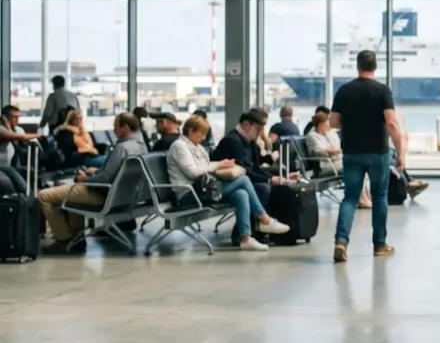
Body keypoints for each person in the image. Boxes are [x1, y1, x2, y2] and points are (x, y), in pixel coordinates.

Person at [167, 115, 289, 251]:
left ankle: (245, 238)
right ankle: (265, 219)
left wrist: (222, 165)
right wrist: (218, 164)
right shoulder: (179, 146)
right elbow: (193, 172)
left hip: (203, 190)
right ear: (190, 130)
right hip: (189, 194)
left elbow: (206, 166)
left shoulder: (198, 147)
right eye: (201, 134)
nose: (203, 138)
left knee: (241, 194)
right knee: (243, 179)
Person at [329, 50, 406, 263]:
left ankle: (341, 242)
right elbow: (391, 123)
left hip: (352, 152)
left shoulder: (344, 90)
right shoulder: (382, 91)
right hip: (377, 152)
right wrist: (400, 153)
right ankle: (380, 245)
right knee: (379, 196)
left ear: (358, 65)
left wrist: (350, 124)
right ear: (375, 66)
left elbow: (333, 122)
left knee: (350, 198)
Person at [37, 113, 148, 254]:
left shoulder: (122, 148)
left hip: (104, 196)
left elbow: (106, 178)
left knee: (44, 195)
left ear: (125, 128)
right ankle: (75, 240)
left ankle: (63, 240)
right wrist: (97, 171)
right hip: (125, 197)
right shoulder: (141, 146)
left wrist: (86, 180)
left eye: (115, 126)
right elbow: (116, 172)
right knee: (68, 195)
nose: (113, 130)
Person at [212, 109, 298, 207]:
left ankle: (260, 220)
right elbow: (244, 171)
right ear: (246, 125)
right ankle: (260, 219)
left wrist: (281, 176)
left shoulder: (250, 141)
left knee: (271, 185)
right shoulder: (232, 141)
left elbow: (256, 168)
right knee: (264, 188)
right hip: (225, 184)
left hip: (240, 181)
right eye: (258, 129)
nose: (261, 132)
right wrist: (270, 179)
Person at [0, 104, 41, 194]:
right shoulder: (1, 129)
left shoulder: (18, 129)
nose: (17, 120)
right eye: (14, 117)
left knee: (29, 171)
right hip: (3, 166)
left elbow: (23, 140)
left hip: (13, 165)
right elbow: (18, 137)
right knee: (13, 173)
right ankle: (28, 194)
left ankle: (35, 194)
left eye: (18, 117)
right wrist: (40, 135)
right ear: (5, 117)